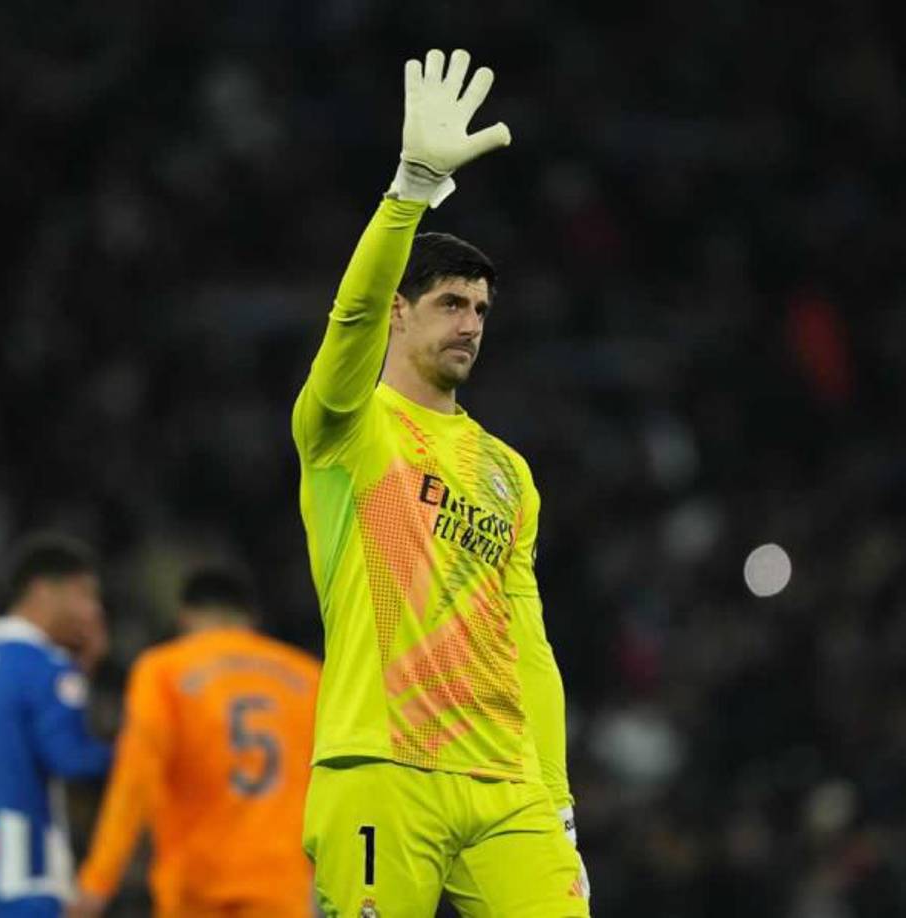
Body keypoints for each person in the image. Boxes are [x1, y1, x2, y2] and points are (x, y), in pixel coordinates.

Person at [292, 47, 589, 916]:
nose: (471, 324)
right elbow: (348, 315)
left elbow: (529, 642)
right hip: (382, 763)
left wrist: (559, 797)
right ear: (401, 311)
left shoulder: (509, 473)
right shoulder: (347, 426)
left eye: (482, 310)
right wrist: (410, 188)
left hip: (507, 785)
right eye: (451, 304)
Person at [66, 564, 321, 918]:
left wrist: (98, 881)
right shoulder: (308, 677)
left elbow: (135, 778)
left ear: (185, 617)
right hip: (281, 887)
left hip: (194, 889)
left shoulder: (162, 670)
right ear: (251, 619)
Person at [0, 532, 113, 918]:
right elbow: (71, 759)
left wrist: (78, 674)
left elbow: (9, 735)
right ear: (44, 591)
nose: (93, 612)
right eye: (84, 595)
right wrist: (137, 752)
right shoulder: (45, 666)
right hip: (20, 878)